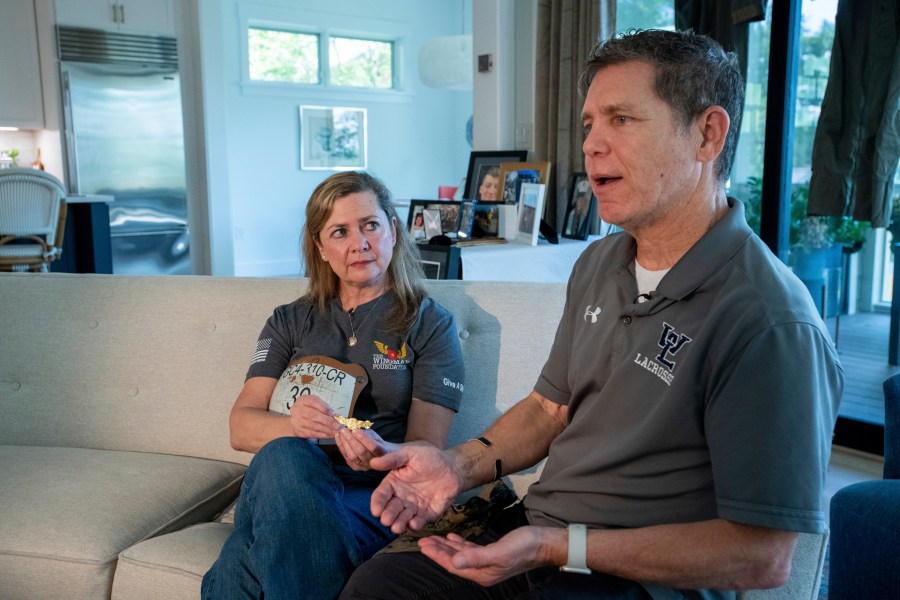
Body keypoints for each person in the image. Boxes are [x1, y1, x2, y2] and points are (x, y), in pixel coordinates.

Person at [339, 29, 843, 600]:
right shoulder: (599, 260)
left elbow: (762, 556)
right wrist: (455, 466)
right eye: (589, 124)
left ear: (708, 135)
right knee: (379, 586)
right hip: (538, 538)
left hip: (634, 579)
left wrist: (559, 547)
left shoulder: (770, 322)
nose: (592, 145)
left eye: (622, 120)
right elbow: (549, 408)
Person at [202, 171, 465, 599]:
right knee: (286, 456)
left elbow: (426, 449)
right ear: (321, 248)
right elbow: (241, 426)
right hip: (279, 481)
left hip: (371, 494)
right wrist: (299, 427)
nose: (359, 243)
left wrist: (379, 453)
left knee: (242, 559)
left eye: (370, 225)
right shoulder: (288, 320)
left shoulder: (430, 324)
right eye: (339, 232)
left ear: (392, 231)